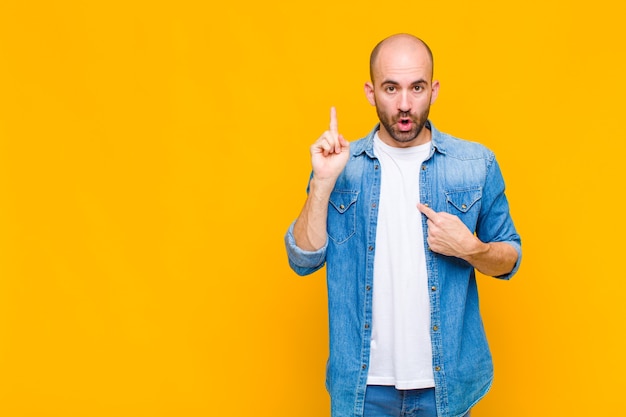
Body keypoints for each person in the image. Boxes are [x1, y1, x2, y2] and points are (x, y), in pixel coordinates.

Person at [284, 33, 521, 417]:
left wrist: (470, 248)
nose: (405, 105)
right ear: (371, 91)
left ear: (435, 89)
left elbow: (509, 258)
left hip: (445, 388)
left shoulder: (476, 164)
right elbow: (303, 259)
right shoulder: (344, 167)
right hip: (362, 388)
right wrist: (323, 183)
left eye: (417, 87)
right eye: (391, 88)